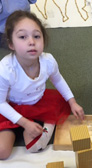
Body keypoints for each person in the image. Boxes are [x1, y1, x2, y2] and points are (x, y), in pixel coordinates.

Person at [0, 10, 84, 159]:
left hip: (38, 103)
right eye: (22, 37)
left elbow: (58, 80)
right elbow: (1, 103)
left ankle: (46, 121)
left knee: (35, 147)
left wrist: (72, 102)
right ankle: (22, 126)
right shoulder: (6, 69)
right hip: (10, 107)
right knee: (2, 152)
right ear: (11, 44)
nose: (31, 41)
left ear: (43, 40)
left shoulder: (48, 61)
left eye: (37, 36)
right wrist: (25, 123)